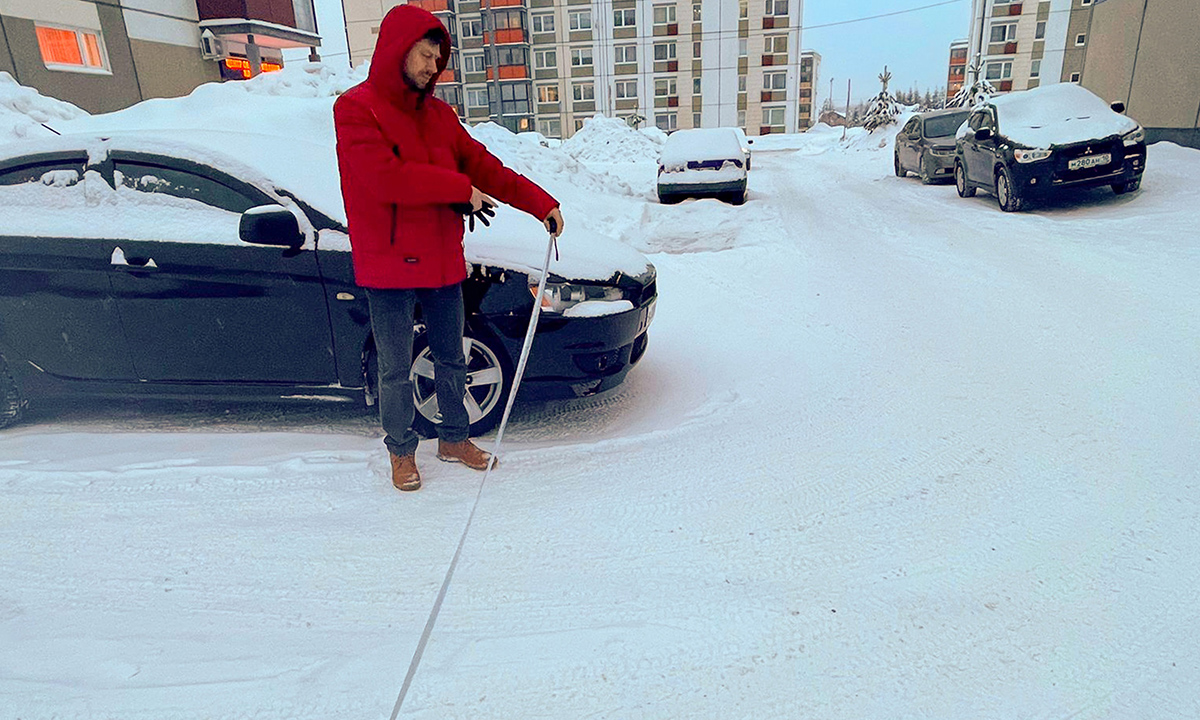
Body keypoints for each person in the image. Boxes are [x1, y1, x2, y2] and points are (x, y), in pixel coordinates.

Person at [334, 4, 564, 492]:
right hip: (388, 265)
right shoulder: (356, 108)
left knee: (451, 356)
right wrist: (458, 189)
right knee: (395, 368)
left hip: (441, 258)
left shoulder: (440, 116)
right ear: (398, 50)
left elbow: (485, 167)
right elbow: (385, 179)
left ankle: (454, 438)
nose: (431, 67)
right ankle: (400, 449)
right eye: (423, 55)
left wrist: (540, 203)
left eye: (438, 59)